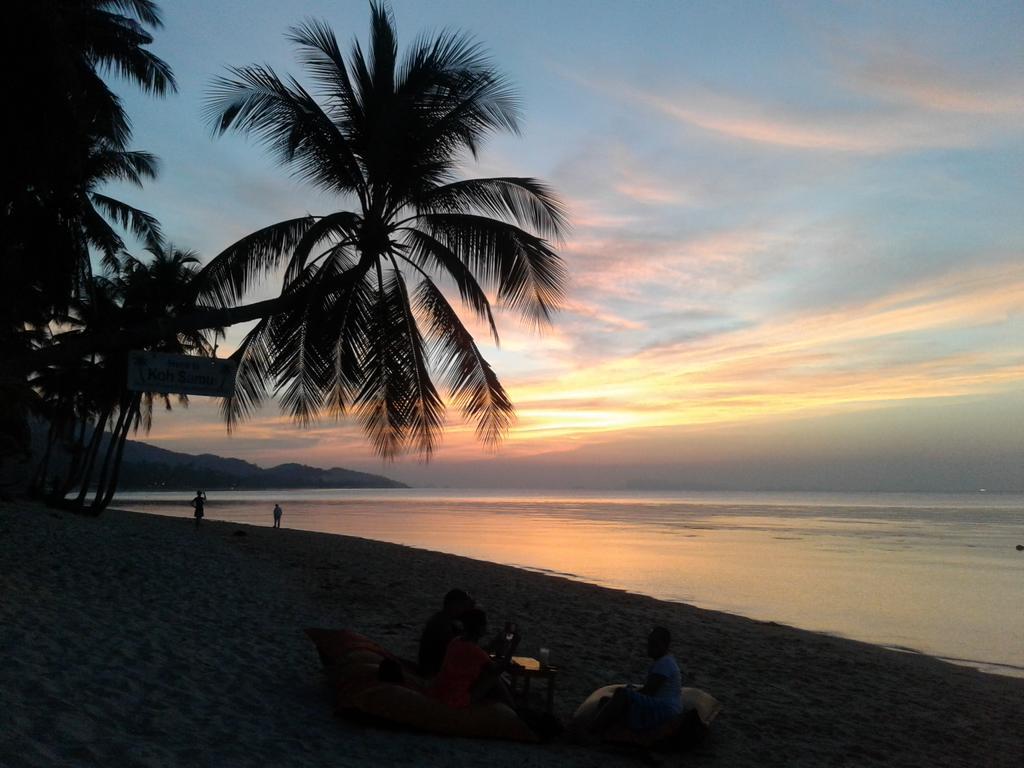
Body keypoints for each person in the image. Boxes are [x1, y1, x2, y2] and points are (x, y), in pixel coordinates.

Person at [589, 626, 682, 735]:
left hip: (663, 709)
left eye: (654, 644)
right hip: (664, 705)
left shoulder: (665, 663)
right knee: (607, 701)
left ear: (664, 645)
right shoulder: (665, 661)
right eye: (649, 642)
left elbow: (649, 692)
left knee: (621, 693)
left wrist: (627, 694)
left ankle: (592, 732)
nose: (649, 646)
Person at [429, 608, 514, 709]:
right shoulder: (474, 651)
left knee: (488, 674)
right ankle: (513, 707)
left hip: (439, 692)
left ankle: (511, 705)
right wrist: (513, 646)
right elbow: (498, 670)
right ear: (479, 628)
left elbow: (479, 653)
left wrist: (494, 643)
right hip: (454, 699)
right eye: (485, 624)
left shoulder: (456, 641)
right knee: (493, 677)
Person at [418, 588, 475, 678]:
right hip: (435, 675)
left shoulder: (445, 620)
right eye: (463, 606)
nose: (465, 610)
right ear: (453, 605)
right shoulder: (441, 624)